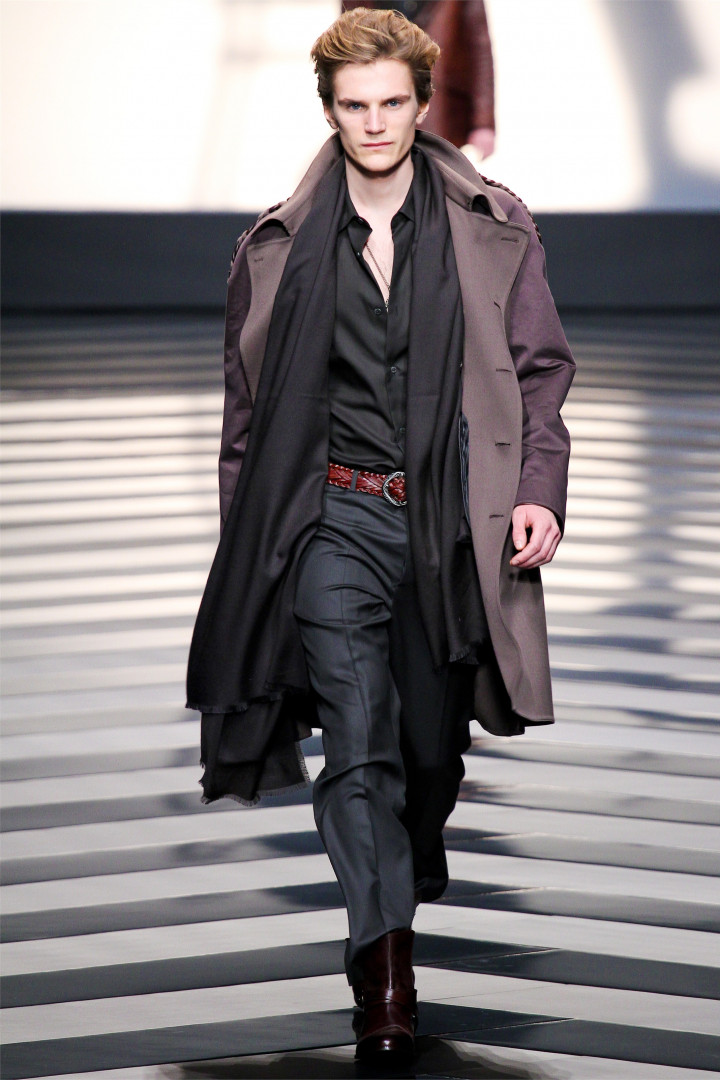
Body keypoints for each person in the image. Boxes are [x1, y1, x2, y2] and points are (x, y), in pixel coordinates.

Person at [187, 6, 575, 1064]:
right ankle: (387, 974)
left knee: (426, 754)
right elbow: (244, 425)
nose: (373, 123)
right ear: (330, 110)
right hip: (330, 517)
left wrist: (538, 488)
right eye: (354, 106)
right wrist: (251, 554)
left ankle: (406, 858)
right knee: (356, 744)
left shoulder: (492, 224)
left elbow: (540, 372)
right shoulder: (274, 248)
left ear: (421, 103)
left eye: (392, 103)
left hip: (450, 519)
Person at [342, 0, 496, 157]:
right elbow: (346, 40)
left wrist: (483, 124)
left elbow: (479, 47)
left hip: (443, 105)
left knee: (434, 163)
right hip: (376, 96)